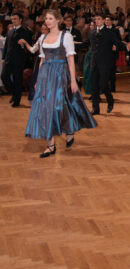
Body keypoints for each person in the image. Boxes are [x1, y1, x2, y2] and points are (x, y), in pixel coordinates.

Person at [24, 10, 97, 158]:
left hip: (60, 74)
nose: (47, 21)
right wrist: (38, 80)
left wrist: (73, 79)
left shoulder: (66, 36)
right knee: (46, 108)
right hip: (45, 75)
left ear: (58, 20)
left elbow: (70, 59)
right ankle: (50, 145)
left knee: (59, 106)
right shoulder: (43, 37)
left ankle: (69, 130)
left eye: (50, 18)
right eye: (46, 19)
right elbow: (42, 60)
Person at [87, 14, 122, 115]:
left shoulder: (110, 32)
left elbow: (118, 43)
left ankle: (110, 99)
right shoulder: (92, 32)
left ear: (103, 21)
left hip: (105, 63)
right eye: (95, 19)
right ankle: (95, 109)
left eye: (98, 19)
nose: (96, 21)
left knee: (103, 84)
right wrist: (73, 44)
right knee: (94, 86)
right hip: (94, 63)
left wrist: (128, 46)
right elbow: (86, 43)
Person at [1, 12, 32, 107]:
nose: (13, 20)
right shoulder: (10, 31)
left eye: (15, 18)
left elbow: (29, 46)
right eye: (12, 19)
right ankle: (14, 93)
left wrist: (23, 46)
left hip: (19, 60)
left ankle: (17, 100)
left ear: (20, 20)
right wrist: (3, 58)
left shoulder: (25, 31)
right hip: (8, 59)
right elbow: (6, 46)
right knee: (4, 76)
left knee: (17, 79)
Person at [105, 15, 121, 92]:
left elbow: (119, 41)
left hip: (112, 54)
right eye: (106, 20)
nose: (106, 22)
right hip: (104, 53)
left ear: (111, 21)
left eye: (108, 20)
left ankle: (112, 86)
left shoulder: (115, 30)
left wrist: (116, 46)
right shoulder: (103, 30)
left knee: (112, 70)